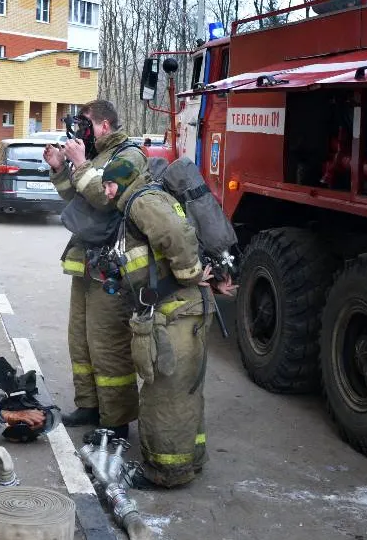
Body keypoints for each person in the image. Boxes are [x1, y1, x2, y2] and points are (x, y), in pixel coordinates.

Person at [98, 158, 234, 488]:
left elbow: (174, 233)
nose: (105, 191)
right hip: (183, 310)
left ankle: (165, 471)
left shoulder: (141, 200)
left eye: (108, 184)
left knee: (165, 393)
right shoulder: (146, 197)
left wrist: (189, 275)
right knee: (186, 390)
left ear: (122, 181)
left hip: (176, 312)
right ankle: (191, 459)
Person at [43, 100, 146, 438]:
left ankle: (115, 422)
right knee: (81, 340)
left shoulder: (129, 157)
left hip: (113, 266)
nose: (79, 130)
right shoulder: (96, 157)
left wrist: (80, 163)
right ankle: (89, 405)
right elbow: (76, 199)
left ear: (104, 125)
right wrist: (60, 168)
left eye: (86, 123)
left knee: (107, 343)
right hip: (87, 263)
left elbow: (105, 199)